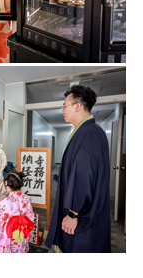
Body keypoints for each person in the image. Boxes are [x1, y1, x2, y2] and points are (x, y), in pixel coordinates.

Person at [45, 84, 111, 253]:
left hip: (81, 216)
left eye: (64, 106)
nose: (62, 111)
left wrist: (73, 214)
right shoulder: (86, 131)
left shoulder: (89, 134)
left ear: (78, 106)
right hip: (80, 212)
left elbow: (84, 176)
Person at [0, 171, 35, 253]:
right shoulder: (26, 199)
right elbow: (31, 217)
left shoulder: (4, 202)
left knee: (8, 248)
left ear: (8, 187)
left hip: (8, 233)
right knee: (19, 247)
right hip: (20, 231)